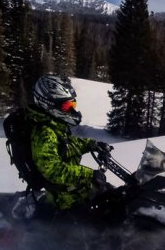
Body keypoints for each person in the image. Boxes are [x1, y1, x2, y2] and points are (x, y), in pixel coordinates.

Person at [27, 74, 113, 213]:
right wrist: (90, 174)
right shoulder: (45, 132)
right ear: (48, 104)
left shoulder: (53, 126)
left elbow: (66, 145)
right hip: (66, 201)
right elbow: (53, 170)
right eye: (67, 106)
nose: (72, 110)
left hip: (73, 191)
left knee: (116, 196)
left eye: (73, 104)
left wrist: (92, 144)